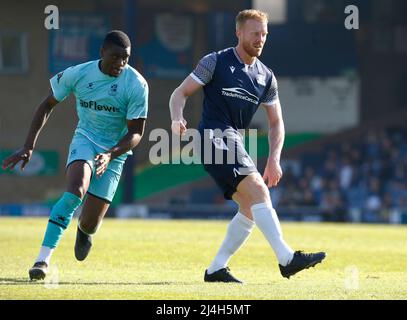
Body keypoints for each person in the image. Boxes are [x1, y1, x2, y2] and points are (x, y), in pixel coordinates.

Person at [169, 9, 326, 283]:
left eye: (264, 34)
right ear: (238, 32)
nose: (260, 39)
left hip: (234, 140)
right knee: (259, 192)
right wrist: (176, 118)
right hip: (212, 137)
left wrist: (274, 159)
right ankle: (287, 259)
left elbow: (277, 123)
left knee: (250, 209)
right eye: (255, 33)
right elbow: (179, 93)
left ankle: (216, 268)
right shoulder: (215, 62)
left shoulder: (266, 77)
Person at [1, 30, 148, 281]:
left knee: (90, 222)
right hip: (86, 140)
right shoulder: (79, 74)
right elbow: (47, 104)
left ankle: (84, 230)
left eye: (125, 58)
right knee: (75, 191)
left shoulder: (136, 84)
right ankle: (42, 260)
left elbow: (136, 134)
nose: (120, 64)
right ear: (102, 52)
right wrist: (28, 146)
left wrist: (111, 155)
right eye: (115, 57)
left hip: (115, 151)